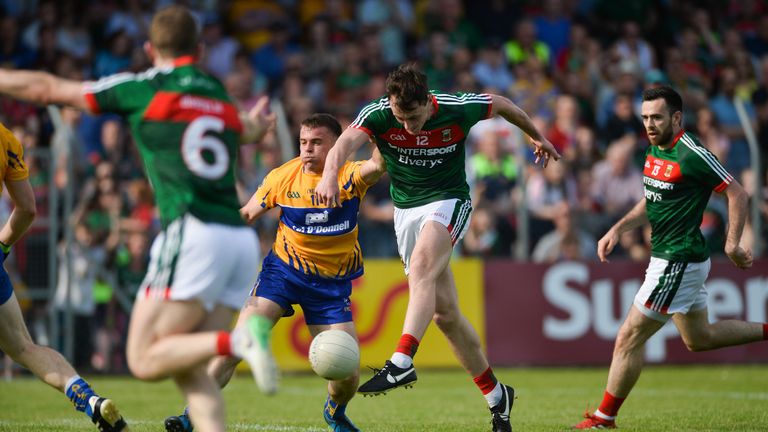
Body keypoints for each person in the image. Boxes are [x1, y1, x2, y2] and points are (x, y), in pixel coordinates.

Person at [0, 6, 279, 432]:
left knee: (144, 357)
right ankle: (233, 350)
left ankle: (238, 340)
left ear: (149, 49)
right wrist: (257, 129)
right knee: (193, 373)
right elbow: (247, 129)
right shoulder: (216, 93)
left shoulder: (145, 88)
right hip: (238, 239)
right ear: (200, 50)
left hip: (193, 231)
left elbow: (46, 88)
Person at [315, 63, 561, 432]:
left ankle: (402, 360)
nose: (408, 125)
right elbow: (344, 145)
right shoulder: (379, 113)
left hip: (449, 200)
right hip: (406, 211)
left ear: (428, 103)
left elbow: (504, 104)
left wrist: (535, 136)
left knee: (423, 264)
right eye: (400, 116)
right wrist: (331, 176)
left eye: (413, 117)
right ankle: (497, 397)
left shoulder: (457, 106)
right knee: (445, 316)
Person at [164, 114, 386, 432]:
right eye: (303, 142)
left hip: (330, 286)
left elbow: (378, 166)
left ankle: (335, 412)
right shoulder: (283, 176)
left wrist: (379, 133)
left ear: (338, 145)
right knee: (239, 342)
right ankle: (191, 416)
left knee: (347, 373)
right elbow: (248, 214)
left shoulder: (348, 176)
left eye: (317, 143)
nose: (307, 149)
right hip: (283, 273)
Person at [573, 86, 768, 429]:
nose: (649, 124)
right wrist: (618, 228)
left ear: (677, 118)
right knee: (699, 338)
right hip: (673, 258)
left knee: (628, 337)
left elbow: (736, 192)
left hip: (677, 261)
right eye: (645, 117)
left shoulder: (692, 152)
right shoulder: (653, 149)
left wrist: (733, 243)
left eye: (656, 117)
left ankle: (604, 418)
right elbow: (652, 201)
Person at [0, 123, 127, 431]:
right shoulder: (6, 139)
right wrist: (2, 246)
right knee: (24, 347)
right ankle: (88, 399)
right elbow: (27, 209)